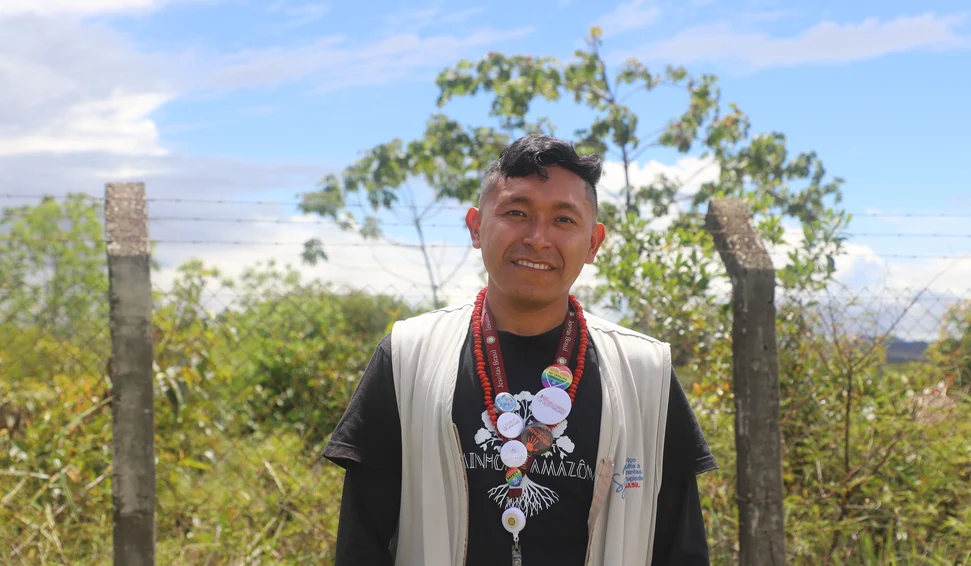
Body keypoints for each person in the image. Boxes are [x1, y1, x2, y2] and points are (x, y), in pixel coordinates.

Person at [323, 134, 718, 566]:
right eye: (516, 212)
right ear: (476, 227)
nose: (538, 238)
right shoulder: (408, 358)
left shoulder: (645, 374)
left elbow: (681, 548)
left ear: (593, 243)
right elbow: (362, 541)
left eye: (563, 219)